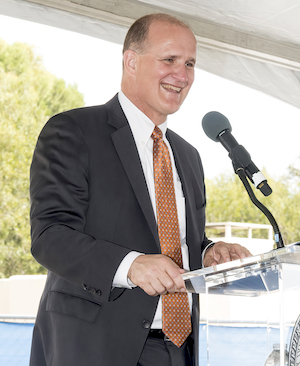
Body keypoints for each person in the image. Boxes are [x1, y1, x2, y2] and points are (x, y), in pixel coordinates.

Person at [29, 13, 251, 366]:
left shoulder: (189, 156)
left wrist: (209, 252)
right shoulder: (74, 131)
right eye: (169, 60)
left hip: (177, 348)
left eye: (190, 63)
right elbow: (50, 236)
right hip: (94, 347)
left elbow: (174, 241)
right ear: (131, 60)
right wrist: (130, 266)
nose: (182, 75)